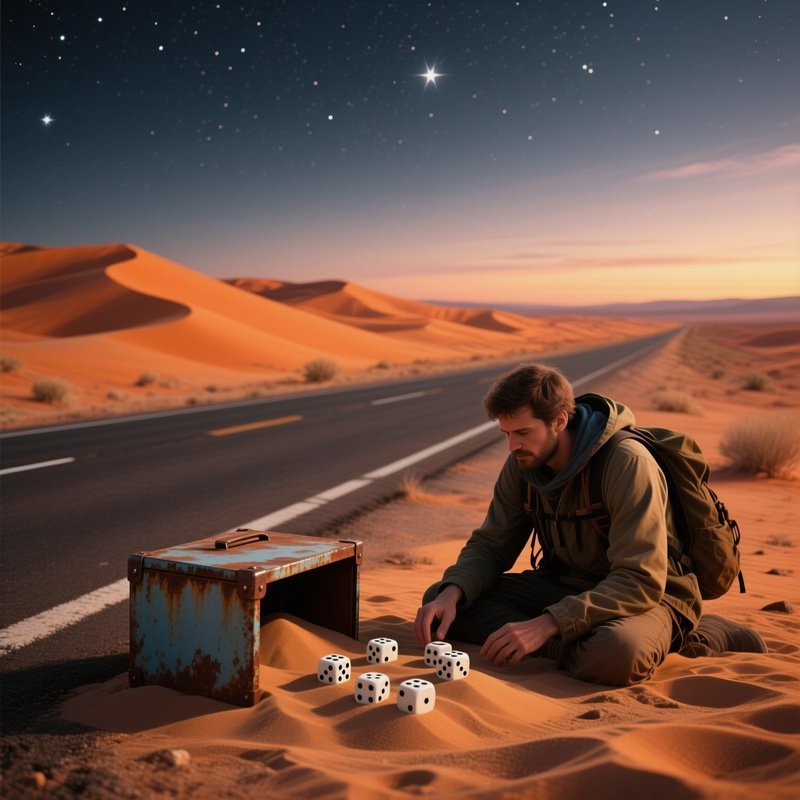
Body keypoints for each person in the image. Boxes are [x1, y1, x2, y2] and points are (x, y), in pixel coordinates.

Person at [414, 363, 767, 686]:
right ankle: (569, 644)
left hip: (650, 595)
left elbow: (640, 580)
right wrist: (453, 592)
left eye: (522, 432)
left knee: (614, 654)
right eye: (505, 433)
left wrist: (546, 625)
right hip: (566, 586)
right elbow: (491, 545)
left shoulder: (626, 463)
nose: (512, 445)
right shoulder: (522, 463)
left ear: (560, 421)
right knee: (442, 604)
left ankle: (701, 635)